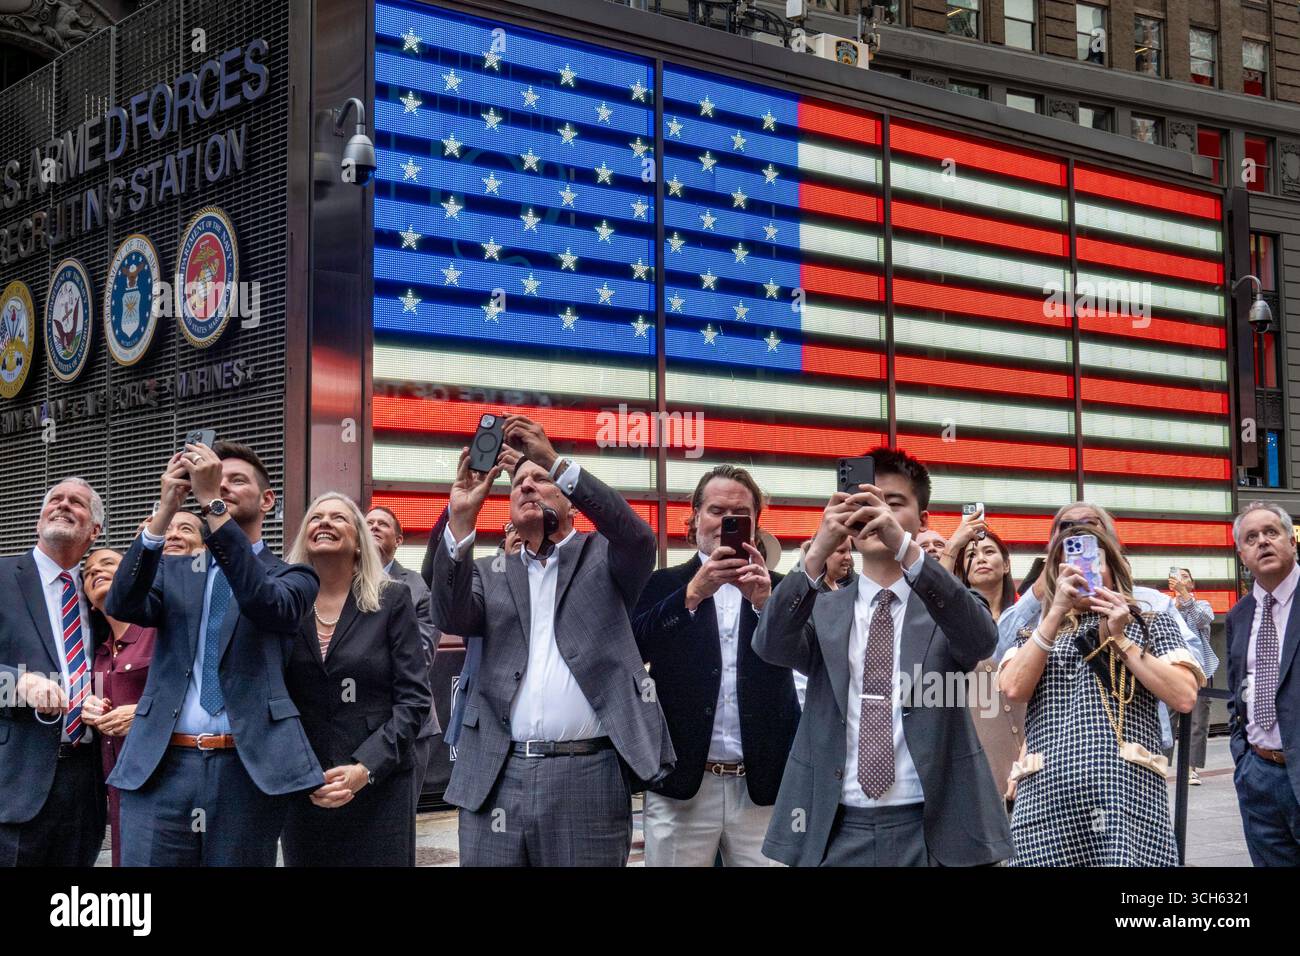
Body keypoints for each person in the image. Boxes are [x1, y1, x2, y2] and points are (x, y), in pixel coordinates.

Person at [430, 414, 673, 866]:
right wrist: (461, 517)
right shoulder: (488, 571)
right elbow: (448, 613)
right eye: (517, 483)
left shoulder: (605, 558)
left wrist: (554, 461)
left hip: (586, 775)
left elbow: (637, 537)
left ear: (572, 503)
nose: (526, 486)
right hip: (495, 775)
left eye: (541, 480)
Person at [754, 447, 1012, 866]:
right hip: (836, 828)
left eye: (893, 504)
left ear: (922, 520)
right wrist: (817, 550)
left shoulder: (945, 604)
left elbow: (980, 640)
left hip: (937, 829)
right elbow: (771, 645)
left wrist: (907, 550)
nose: (878, 514)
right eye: (865, 502)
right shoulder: (824, 607)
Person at [105, 440, 324, 866]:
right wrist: (165, 512)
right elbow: (121, 603)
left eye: (235, 481)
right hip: (161, 766)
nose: (221, 488)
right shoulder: (176, 570)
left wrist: (211, 504)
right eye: (214, 482)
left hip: (245, 772)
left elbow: (263, 602)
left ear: (267, 500)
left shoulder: (295, 576)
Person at [999, 523, 1201, 866]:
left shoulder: (1150, 622)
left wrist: (1121, 640)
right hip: (1048, 801)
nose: (1080, 572)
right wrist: (1054, 614)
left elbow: (1184, 696)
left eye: (1093, 562)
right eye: (1067, 567)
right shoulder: (1032, 633)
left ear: (1112, 570)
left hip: (1125, 797)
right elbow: (1014, 689)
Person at [632, 465, 797, 866]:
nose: (726, 521)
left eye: (739, 513)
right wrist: (691, 595)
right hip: (681, 783)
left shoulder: (782, 587)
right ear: (695, 518)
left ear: (756, 524)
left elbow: (808, 659)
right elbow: (634, 650)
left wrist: (765, 603)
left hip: (763, 784)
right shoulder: (661, 584)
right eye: (716, 510)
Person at [281, 494, 432, 866]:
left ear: (358, 540)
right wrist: (302, 771)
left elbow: (413, 700)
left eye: (339, 518)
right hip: (306, 786)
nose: (325, 522)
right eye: (316, 517)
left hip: (379, 784)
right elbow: (274, 697)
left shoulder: (393, 599)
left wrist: (364, 769)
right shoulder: (286, 605)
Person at [995, 502, 1214, 756]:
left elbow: (1191, 670)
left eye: (1089, 524)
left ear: (1110, 544)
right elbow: (999, 654)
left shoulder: (1150, 605)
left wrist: (1124, 638)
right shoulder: (1041, 612)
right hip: (1051, 754)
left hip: (1132, 748)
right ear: (1053, 543)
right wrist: (1044, 595)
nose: (1077, 531)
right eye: (1066, 527)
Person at [0, 479, 107, 866]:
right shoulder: (2, 577)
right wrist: (16, 682)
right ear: (38, 520)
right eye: (55, 500)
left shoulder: (101, 591)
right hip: (14, 781)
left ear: (94, 530)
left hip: (86, 783)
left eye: (76, 502)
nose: (63, 505)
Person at [1226, 502, 1300, 866]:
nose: (1263, 542)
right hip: (1259, 777)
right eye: (1251, 538)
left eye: (1271, 532)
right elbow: (1236, 693)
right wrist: (1243, 759)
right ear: (1242, 554)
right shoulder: (1240, 616)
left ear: (1291, 540)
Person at [82, 548, 156, 867]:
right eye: (87, 573)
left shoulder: (158, 632)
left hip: (161, 786)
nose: (96, 571)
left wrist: (143, 713)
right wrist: (89, 710)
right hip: (117, 790)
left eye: (108, 564)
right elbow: (95, 706)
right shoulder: (97, 652)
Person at [366, 505, 440, 805]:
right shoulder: (338, 582)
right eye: (367, 522)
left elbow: (419, 656)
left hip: (408, 723)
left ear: (398, 540)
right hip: (351, 723)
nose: (373, 527)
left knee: (399, 822)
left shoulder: (416, 587)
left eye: (382, 524)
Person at [956, 528, 1024, 809]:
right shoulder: (953, 625)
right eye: (971, 555)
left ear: (1006, 564)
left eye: (989, 551)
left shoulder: (1032, 617)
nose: (980, 559)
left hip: (1032, 752)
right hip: (980, 762)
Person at [1168, 568, 1218, 785]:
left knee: (1198, 721)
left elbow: (1201, 620)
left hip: (1201, 669)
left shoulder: (1202, 604)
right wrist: (1176, 604)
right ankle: (1162, 764)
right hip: (1173, 668)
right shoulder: (1168, 607)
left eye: (1185, 576)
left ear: (1192, 583)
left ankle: (1191, 767)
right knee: (1168, 718)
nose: (1181, 579)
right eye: (1178, 576)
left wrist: (1185, 597)